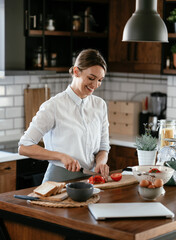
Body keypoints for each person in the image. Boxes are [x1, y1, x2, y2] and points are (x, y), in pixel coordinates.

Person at [18, 49, 110, 183]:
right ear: (76, 71)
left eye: (100, 80)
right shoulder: (53, 106)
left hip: (89, 180)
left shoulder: (99, 105)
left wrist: (101, 163)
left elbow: (103, 147)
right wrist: (61, 156)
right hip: (59, 179)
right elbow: (24, 147)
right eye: (91, 78)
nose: (95, 85)